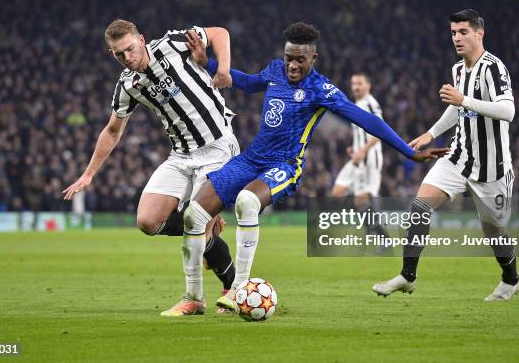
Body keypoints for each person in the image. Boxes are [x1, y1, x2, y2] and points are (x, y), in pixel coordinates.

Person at [161, 22, 448, 316]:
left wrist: (409, 151)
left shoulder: (322, 90)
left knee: (247, 202)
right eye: (289, 58)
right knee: (194, 214)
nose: (293, 65)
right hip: (251, 158)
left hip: (285, 164)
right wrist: (206, 63)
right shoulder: (274, 70)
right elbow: (246, 83)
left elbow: (366, 119)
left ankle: (239, 289)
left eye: (300, 59)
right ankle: (193, 298)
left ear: (314, 59)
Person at [62, 19, 239, 313]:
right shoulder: (128, 85)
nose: (127, 57)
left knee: (196, 225)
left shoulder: (172, 44)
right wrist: (88, 173)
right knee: (147, 221)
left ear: (141, 39)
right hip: (181, 156)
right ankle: (209, 235)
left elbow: (220, 33)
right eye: (119, 54)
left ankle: (195, 298)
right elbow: (112, 131)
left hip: (217, 148)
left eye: (130, 49)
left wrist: (222, 69)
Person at [372, 9, 519, 301]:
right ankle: (407, 276)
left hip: (492, 168)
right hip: (457, 156)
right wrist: (431, 133)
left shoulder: (493, 68)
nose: (457, 38)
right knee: (419, 207)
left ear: (480, 33)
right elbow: (456, 107)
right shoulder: (458, 69)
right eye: (453, 32)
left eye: (463, 32)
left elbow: (508, 111)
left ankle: (511, 279)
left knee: (495, 233)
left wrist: (464, 99)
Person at [331, 73, 390, 245]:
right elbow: (361, 133)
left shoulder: (371, 104)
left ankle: (382, 239)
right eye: (353, 83)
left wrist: (362, 151)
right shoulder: (358, 104)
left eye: (359, 83)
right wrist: (354, 148)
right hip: (357, 157)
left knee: (361, 200)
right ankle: (373, 230)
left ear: (368, 86)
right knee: (337, 193)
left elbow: (380, 131)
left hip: (369, 159)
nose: (356, 87)